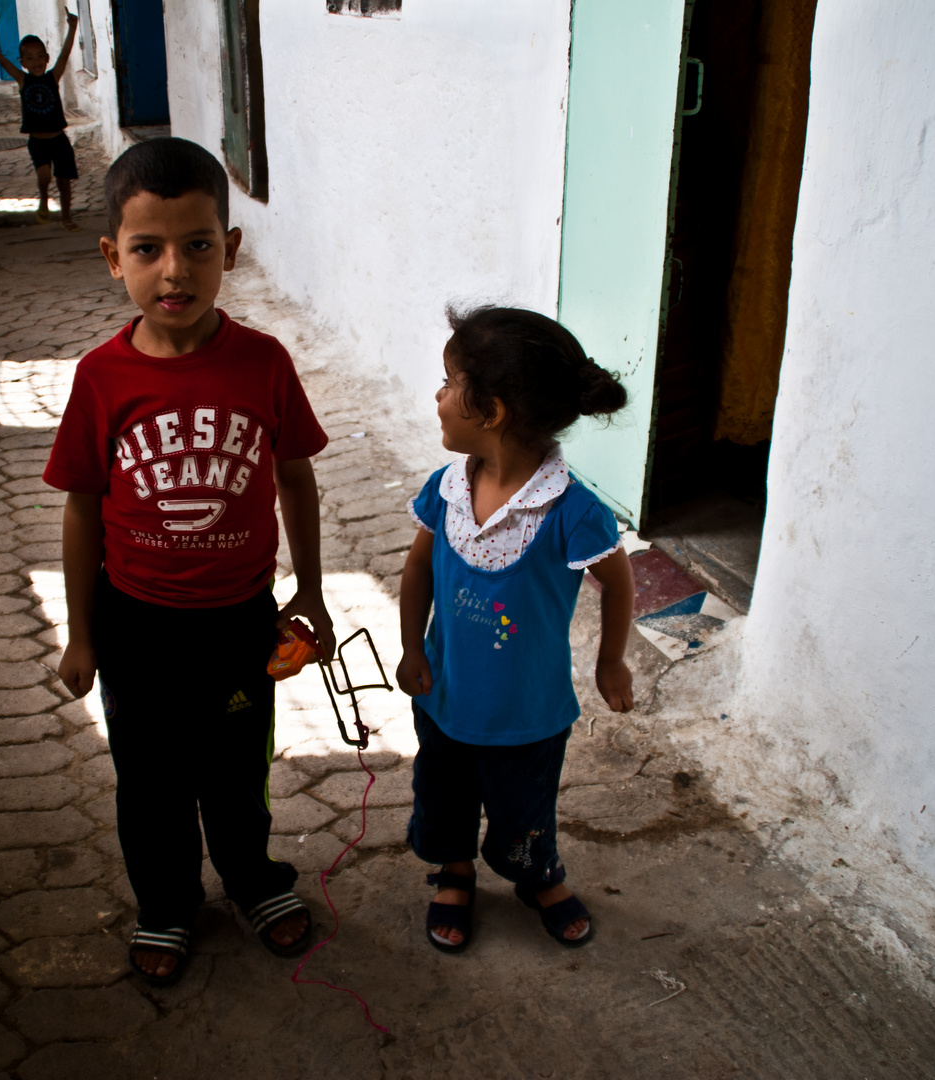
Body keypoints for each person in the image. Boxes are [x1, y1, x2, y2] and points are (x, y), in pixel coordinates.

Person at [43, 137, 336, 987]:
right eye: (148, 249)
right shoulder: (102, 378)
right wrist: (81, 636)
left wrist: (309, 588)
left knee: (238, 769)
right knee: (151, 781)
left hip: (239, 619)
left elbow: (294, 476)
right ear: (112, 258)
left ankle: (254, 882)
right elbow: (82, 507)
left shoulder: (263, 364)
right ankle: (167, 903)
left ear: (230, 251)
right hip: (135, 624)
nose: (174, 271)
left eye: (198, 245)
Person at [395, 306, 637, 953]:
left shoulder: (570, 511)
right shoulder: (444, 489)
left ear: (492, 411)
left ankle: (537, 876)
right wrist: (410, 645)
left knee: (522, 810)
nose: (438, 396)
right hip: (444, 699)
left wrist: (609, 660)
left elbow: (617, 582)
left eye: (449, 383)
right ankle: (453, 872)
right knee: (442, 796)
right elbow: (416, 570)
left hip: (528, 715)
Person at [0, 15, 81, 228]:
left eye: (40, 56)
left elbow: (65, 54)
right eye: (29, 58)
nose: (36, 62)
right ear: (22, 63)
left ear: (47, 58)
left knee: (64, 181)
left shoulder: (53, 76)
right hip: (38, 142)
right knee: (45, 175)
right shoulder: (22, 80)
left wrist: (72, 27)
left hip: (59, 140)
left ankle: (66, 217)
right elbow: (1, 59)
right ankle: (44, 199)